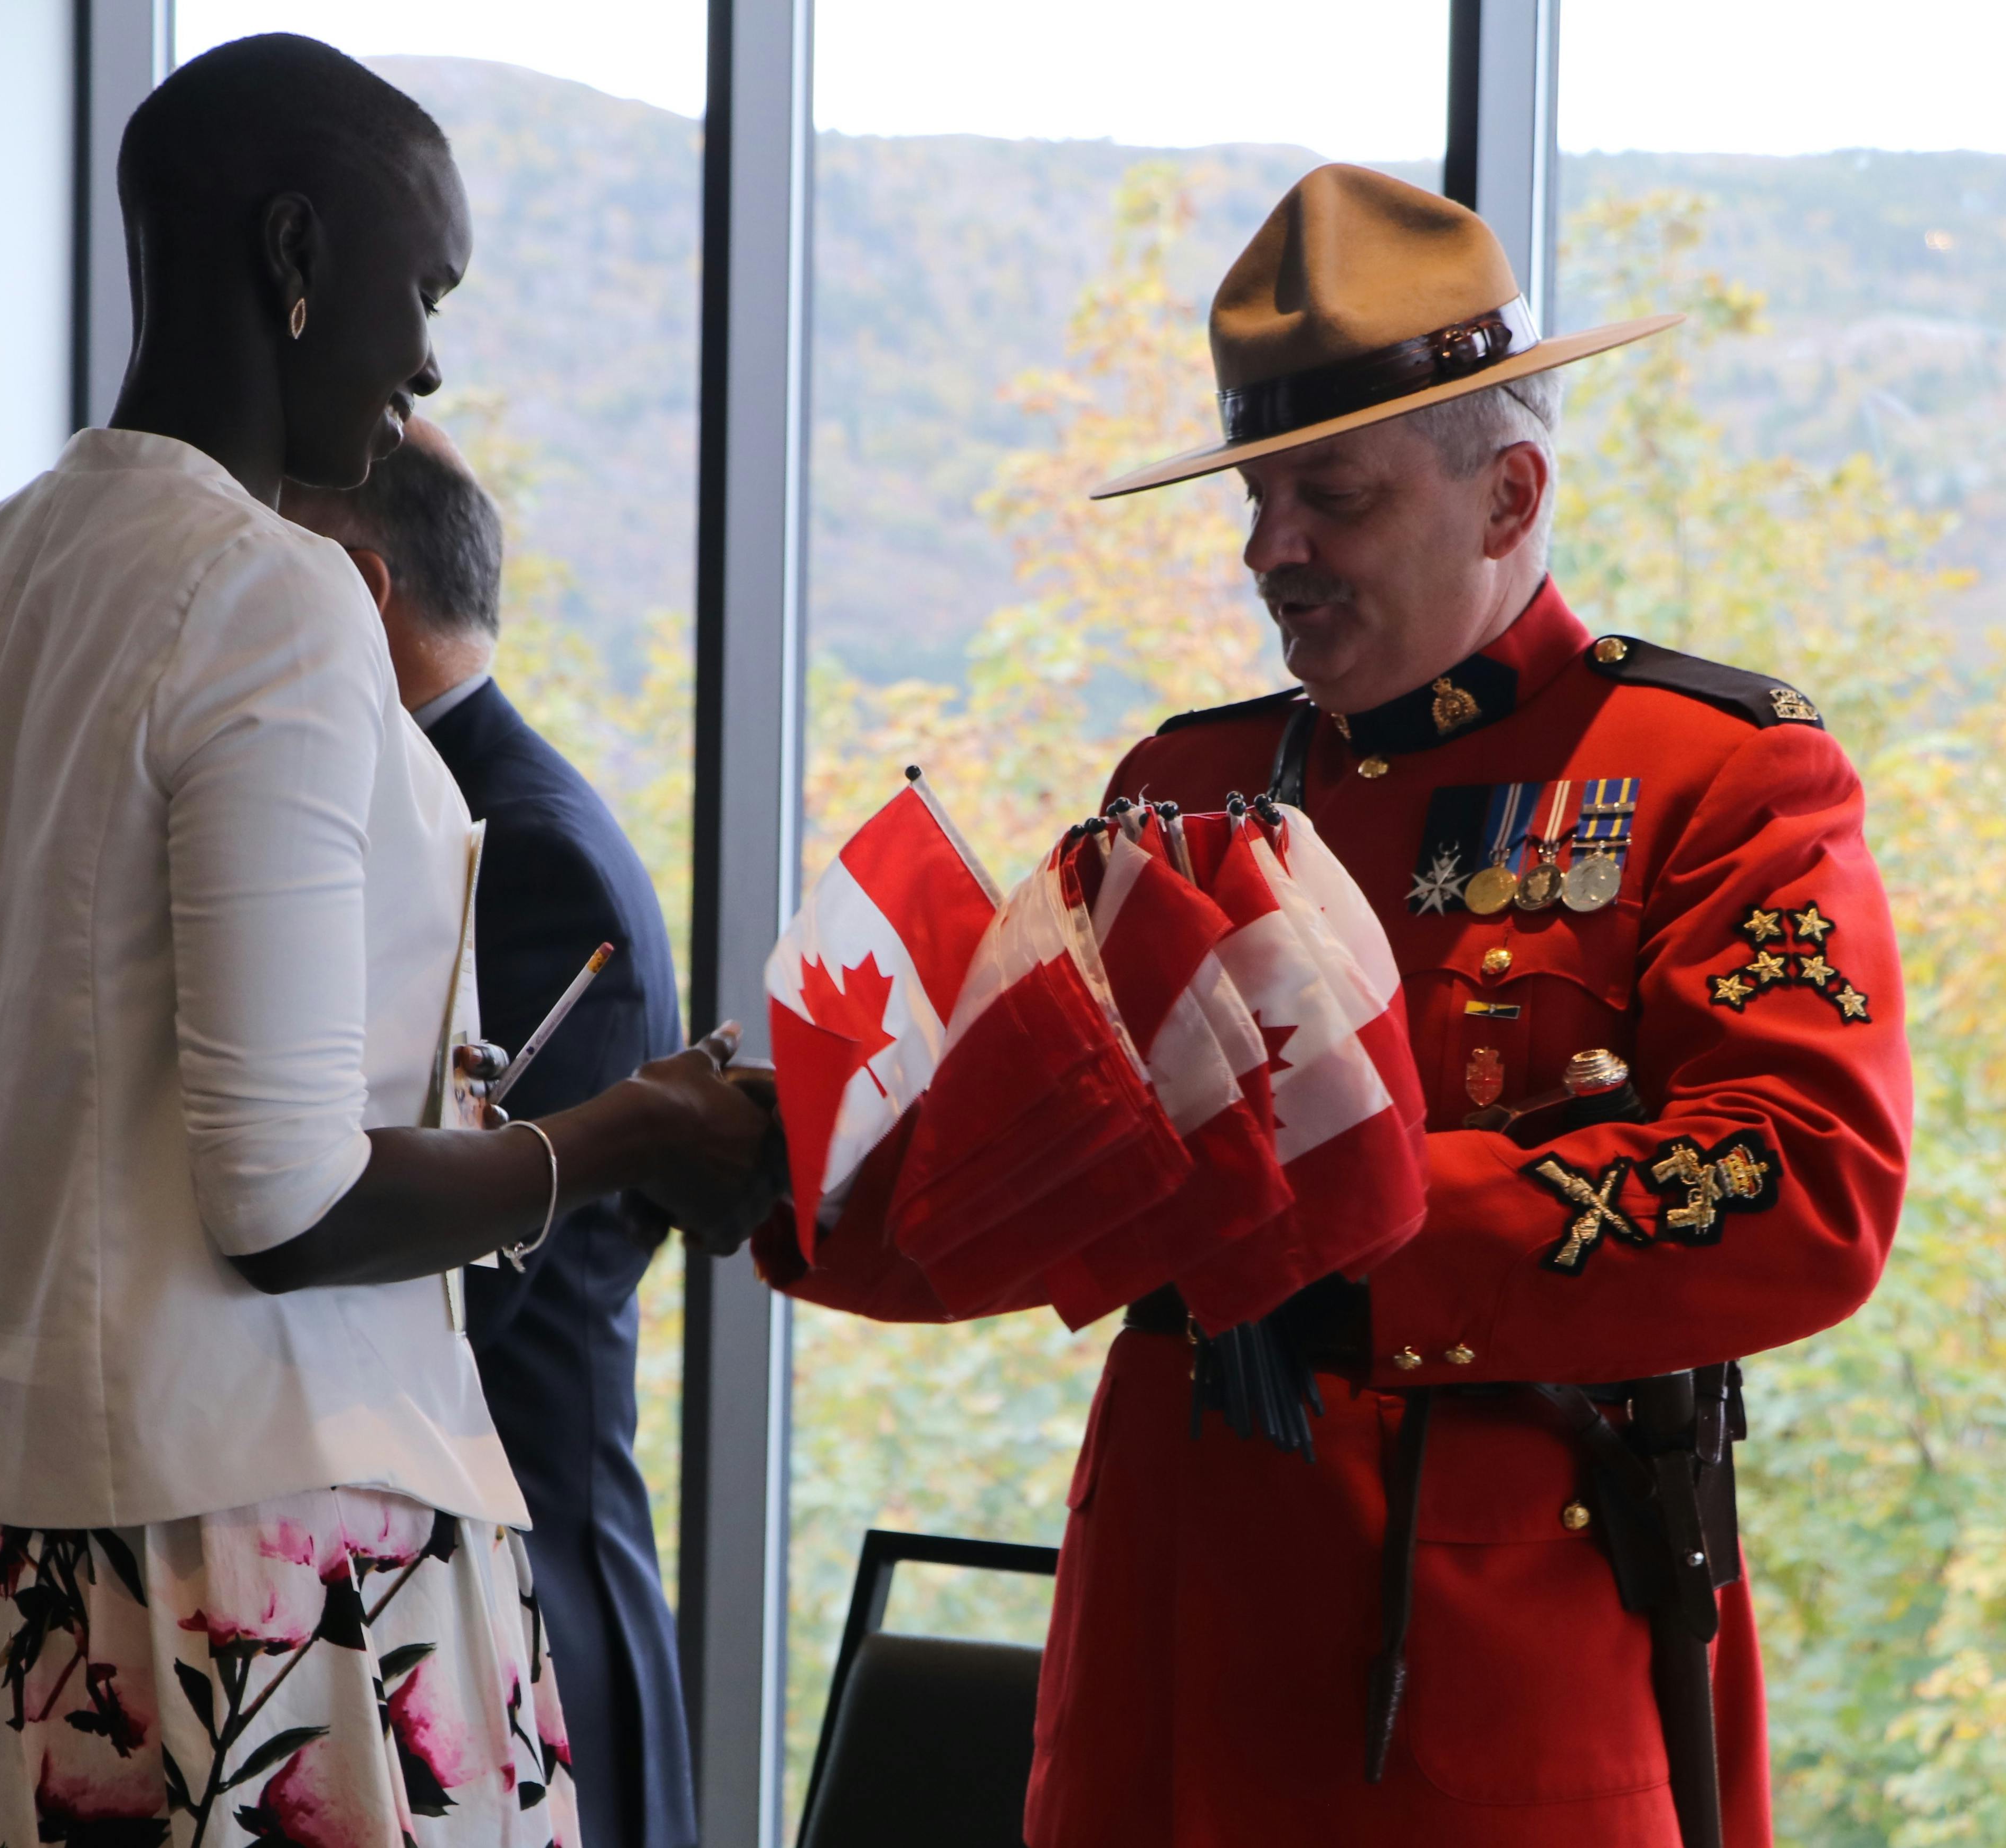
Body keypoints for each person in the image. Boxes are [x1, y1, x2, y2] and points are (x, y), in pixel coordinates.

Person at [772, 165, 1913, 1845]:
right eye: (1256, 500)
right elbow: (1029, 1174)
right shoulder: (1184, 781)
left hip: (1480, 1677)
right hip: (1163, 1653)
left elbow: (1805, 1183)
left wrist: (1348, 1229)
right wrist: (800, 1155)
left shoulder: (1714, 778)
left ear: (1510, 495)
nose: (1269, 554)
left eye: (1334, 501)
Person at [0, 35, 771, 1846]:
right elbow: (285, 1211)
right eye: (421, 287)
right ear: (296, 258)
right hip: (284, 1593)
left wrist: (82, 1170)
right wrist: (625, 1138)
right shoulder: (278, 591)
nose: (432, 356)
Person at [285, 420, 697, 1848]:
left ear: (352, 583)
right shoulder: (416, 819)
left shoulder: (523, 852)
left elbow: (485, 1285)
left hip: (519, 1604)